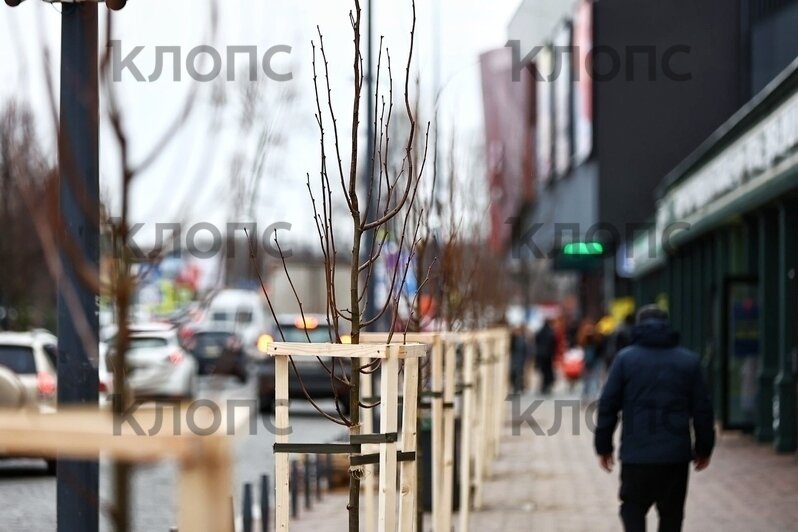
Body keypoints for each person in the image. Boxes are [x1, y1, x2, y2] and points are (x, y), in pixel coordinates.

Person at [594, 305, 715, 532]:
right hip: (675, 457)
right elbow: (703, 409)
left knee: (633, 510)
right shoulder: (688, 361)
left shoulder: (625, 360)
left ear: (638, 327)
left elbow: (608, 404)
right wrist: (704, 448)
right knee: (671, 516)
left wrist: (603, 446)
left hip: (636, 456)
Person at [535, 318, 556, 395]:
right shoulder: (550, 332)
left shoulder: (540, 331)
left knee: (543, 372)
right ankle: (546, 385)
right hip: (548, 355)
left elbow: (536, 340)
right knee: (547, 371)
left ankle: (544, 386)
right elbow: (553, 343)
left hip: (541, 354)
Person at [509, 325, 529, 395]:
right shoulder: (513, 339)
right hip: (514, 360)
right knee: (513, 375)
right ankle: (516, 388)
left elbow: (526, 351)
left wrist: (525, 360)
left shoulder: (522, 340)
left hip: (520, 360)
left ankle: (519, 388)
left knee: (519, 375)